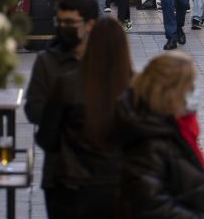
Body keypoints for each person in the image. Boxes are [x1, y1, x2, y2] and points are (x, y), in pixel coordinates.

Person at [36, 16, 132, 218]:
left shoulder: (67, 84)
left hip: (74, 185)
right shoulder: (138, 90)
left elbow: (47, 137)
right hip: (122, 185)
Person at [117, 52, 204, 218]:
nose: (193, 93)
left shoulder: (176, 128)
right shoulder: (148, 140)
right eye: (189, 87)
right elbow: (152, 203)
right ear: (171, 92)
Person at [25, 0, 100, 216]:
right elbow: (33, 109)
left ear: (90, 25)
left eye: (70, 23)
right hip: (61, 171)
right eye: (60, 22)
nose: (63, 27)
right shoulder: (47, 61)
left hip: (103, 173)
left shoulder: (106, 60)